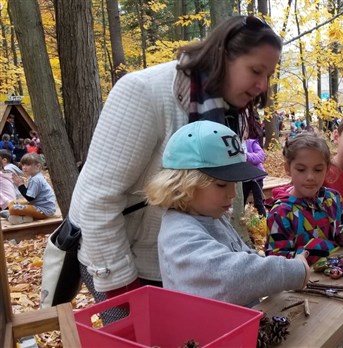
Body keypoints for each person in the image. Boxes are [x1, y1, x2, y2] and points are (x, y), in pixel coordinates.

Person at [66, 15, 283, 311]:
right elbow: (95, 200)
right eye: (256, 70)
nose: (262, 85)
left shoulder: (230, 113)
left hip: (182, 265)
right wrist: (124, 287)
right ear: (223, 56)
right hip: (121, 261)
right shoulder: (143, 92)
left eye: (269, 75)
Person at [144, 121, 309, 307]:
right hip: (204, 334)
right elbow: (231, 277)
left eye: (234, 184)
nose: (232, 193)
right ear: (184, 185)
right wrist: (293, 271)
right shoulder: (179, 233)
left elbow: (245, 256)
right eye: (222, 185)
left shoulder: (212, 217)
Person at [265, 132, 343, 266]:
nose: (310, 177)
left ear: (327, 169)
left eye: (318, 170)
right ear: (288, 169)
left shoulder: (333, 199)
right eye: (301, 169)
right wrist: (317, 249)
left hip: (339, 276)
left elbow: (342, 225)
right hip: (301, 284)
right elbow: (276, 260)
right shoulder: (280, 213)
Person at [7, 154, 56, 225]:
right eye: (23, 165)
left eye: (28, 165)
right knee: (12, 203)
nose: (24, 167)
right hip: (37, 205)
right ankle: (17, 215)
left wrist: (20, 185)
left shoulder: (36, 179)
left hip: (43, 210)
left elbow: (29, 198)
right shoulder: (34, 177)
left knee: (12, 208)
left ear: (37, 166)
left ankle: (25, 218)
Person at [242, 115, 267, 216]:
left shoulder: (251, 143)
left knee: (258, 202)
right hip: (244, 178)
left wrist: (247, 156)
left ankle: (264, 222)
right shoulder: (235, 145)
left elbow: (261, 156)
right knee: (241, 201)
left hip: (256, 177)